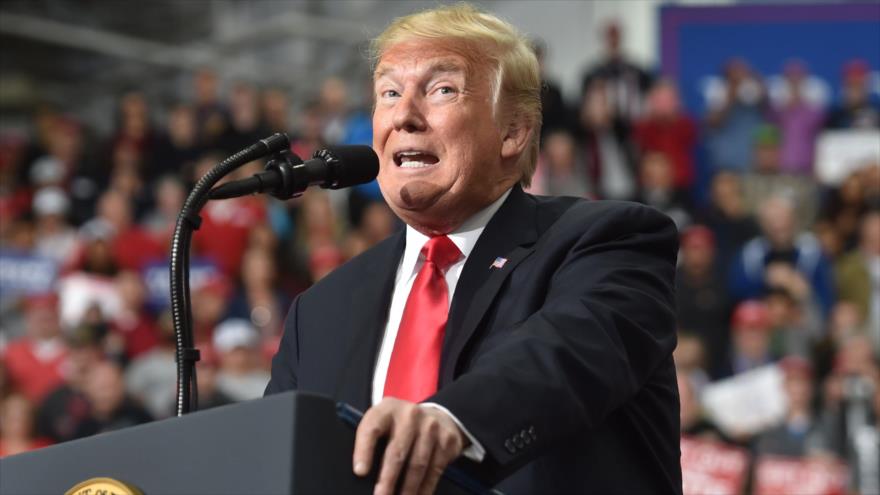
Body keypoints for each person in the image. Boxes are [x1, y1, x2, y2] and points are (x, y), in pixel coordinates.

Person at [265, 4, 681, 494]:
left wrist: (451, 420)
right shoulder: (319, 311)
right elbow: (274, 466)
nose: (404, 115)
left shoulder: (607, 241)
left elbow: (565, 354)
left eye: (442, 90)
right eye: (389, 93)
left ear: (514, 131)